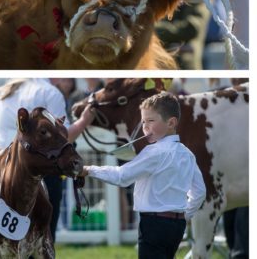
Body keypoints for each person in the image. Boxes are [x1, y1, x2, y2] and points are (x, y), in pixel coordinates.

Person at [81, 92, 206, 259]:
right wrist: (184, 215)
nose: (145, 127)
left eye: (151, 121)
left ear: (171, 123)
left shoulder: (153, 152)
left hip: (153, 224)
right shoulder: (188, 154)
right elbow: (200, 192)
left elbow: (122, 176)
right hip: (177, 225)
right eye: (143, 122)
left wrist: (89, 170)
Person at [0, 78, 95, 240]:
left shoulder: (7, 90)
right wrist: (84, 121)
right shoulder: (50, 92)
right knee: (42, 241)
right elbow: (63, 137)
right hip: (39, 174)